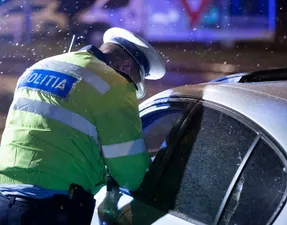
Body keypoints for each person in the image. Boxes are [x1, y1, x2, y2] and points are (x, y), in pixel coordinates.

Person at [0, 27, 166, 224]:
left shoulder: (40, 66)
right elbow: (130, 174)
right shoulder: (115, 84)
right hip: (51, 208)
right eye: (134, 81)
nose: (130, 85)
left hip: (4, 197)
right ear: (127, 67)